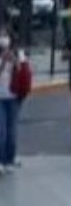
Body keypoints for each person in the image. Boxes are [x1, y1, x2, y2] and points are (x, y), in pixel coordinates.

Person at [0, 28, 21, 173]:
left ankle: (9, 158)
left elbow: (23, 73)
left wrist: (15, 61)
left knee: (12, 130)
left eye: (5, 35)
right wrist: (2, 62)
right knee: (2, 131)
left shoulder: (17, 53)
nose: (3, 38)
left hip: (13, 96)